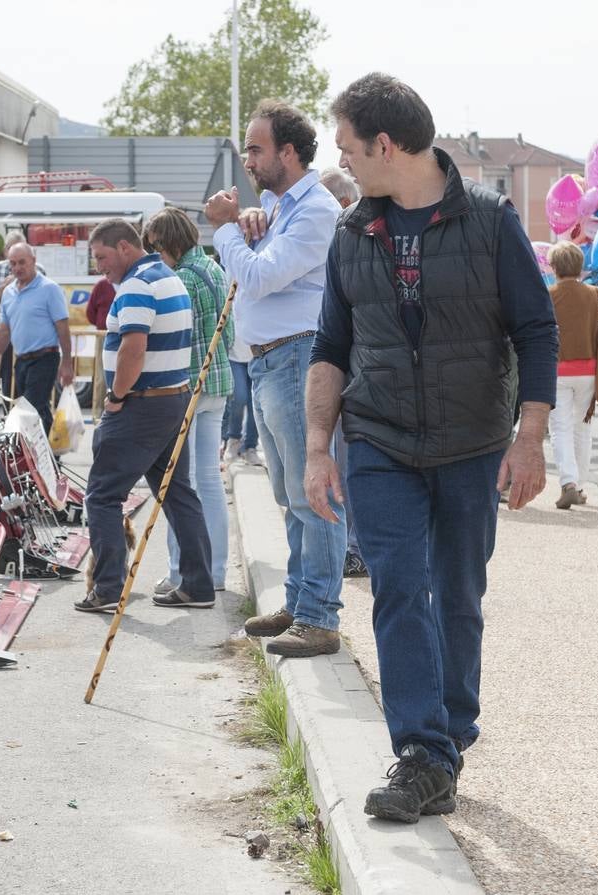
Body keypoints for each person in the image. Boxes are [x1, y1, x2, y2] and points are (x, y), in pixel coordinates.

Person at [304, 73, 558, 824]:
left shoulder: (489, 220)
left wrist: (531, 437)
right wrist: (320, 447)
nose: (344, 162)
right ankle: (421, 752)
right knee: (396, 586)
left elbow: (536, 329)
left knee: (458, 592)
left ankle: (450, 732)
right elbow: (330, 344)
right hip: (379, 439)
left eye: (349, 148)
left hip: (473, 441)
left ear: (386, 144)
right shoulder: (352, 232)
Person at [204, 98, 346, 658]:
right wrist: (244, 223)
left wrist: (225, 232)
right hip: (271, 359)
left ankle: (319, 616)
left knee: (314, 494)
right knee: (291, 495)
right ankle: (299, 602)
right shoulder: (278, 205)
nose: (248, 159)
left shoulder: (315, 210)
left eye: (257, 148)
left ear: (289, 151)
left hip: (297, 356)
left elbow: (260, 277)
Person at [76, 218, 213, 613]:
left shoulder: (137, 285)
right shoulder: (168, 276)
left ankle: (107, 588)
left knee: (102, 496)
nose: (99, 267)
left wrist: (116, 396)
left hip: (141, 403)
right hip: (173, 398)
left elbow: (132, 349)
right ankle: (199, 584)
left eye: (101, 257)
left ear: (123, 247)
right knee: (177, 492)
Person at [143, 207, 232, 596]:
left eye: (156, 248)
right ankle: (215, 570)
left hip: (189, 386)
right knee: (209, 481)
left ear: (169, 244)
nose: (154, 256)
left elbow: (175, 338)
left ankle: (181, 571)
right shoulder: (213, 268)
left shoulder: (180, 279)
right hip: (218, 380)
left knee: (181, 485)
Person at [546, 241, 598, 509]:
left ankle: (568, 483)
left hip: (556, 371)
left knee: (560, 429)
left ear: (554, 267)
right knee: (583, 428)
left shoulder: (548, 295)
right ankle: (580, 485)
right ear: (579, 266)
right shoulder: (596, 294)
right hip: (589, 371)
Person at [321, 165, 367, 577]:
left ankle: (357, 548)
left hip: (356, 374)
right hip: (346, 370)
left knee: (350, 463)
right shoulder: (341, 241)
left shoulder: (354, 239)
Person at [0, 243, 74, 433]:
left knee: (31, 408)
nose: (17, 268)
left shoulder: (49, 289)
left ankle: (45, 455)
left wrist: (67, 362)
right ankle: (48, 455)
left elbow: (62, 327)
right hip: (21, 360)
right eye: (13, 264)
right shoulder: (8, 293)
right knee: (33, 408)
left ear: (34, 261)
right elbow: (4, 331)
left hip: (45, 357)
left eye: (22, 262)